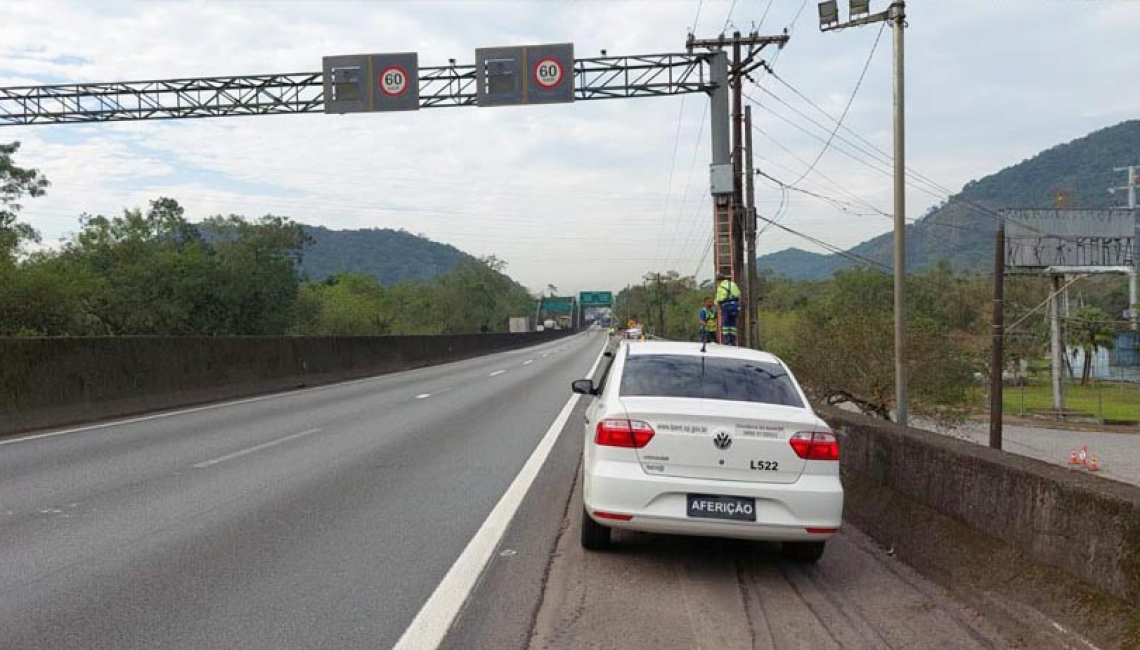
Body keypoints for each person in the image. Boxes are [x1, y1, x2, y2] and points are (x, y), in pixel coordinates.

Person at [715, 273, 741, 345]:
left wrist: (716, 305)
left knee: (725, 323)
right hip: (735, 307)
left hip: (726, 307)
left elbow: (718, 299)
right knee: (733, 323)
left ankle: (727, 340)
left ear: (719, 280)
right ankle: (733, 340)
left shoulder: (720, 287)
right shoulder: (733, 284)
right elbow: (738, 294)